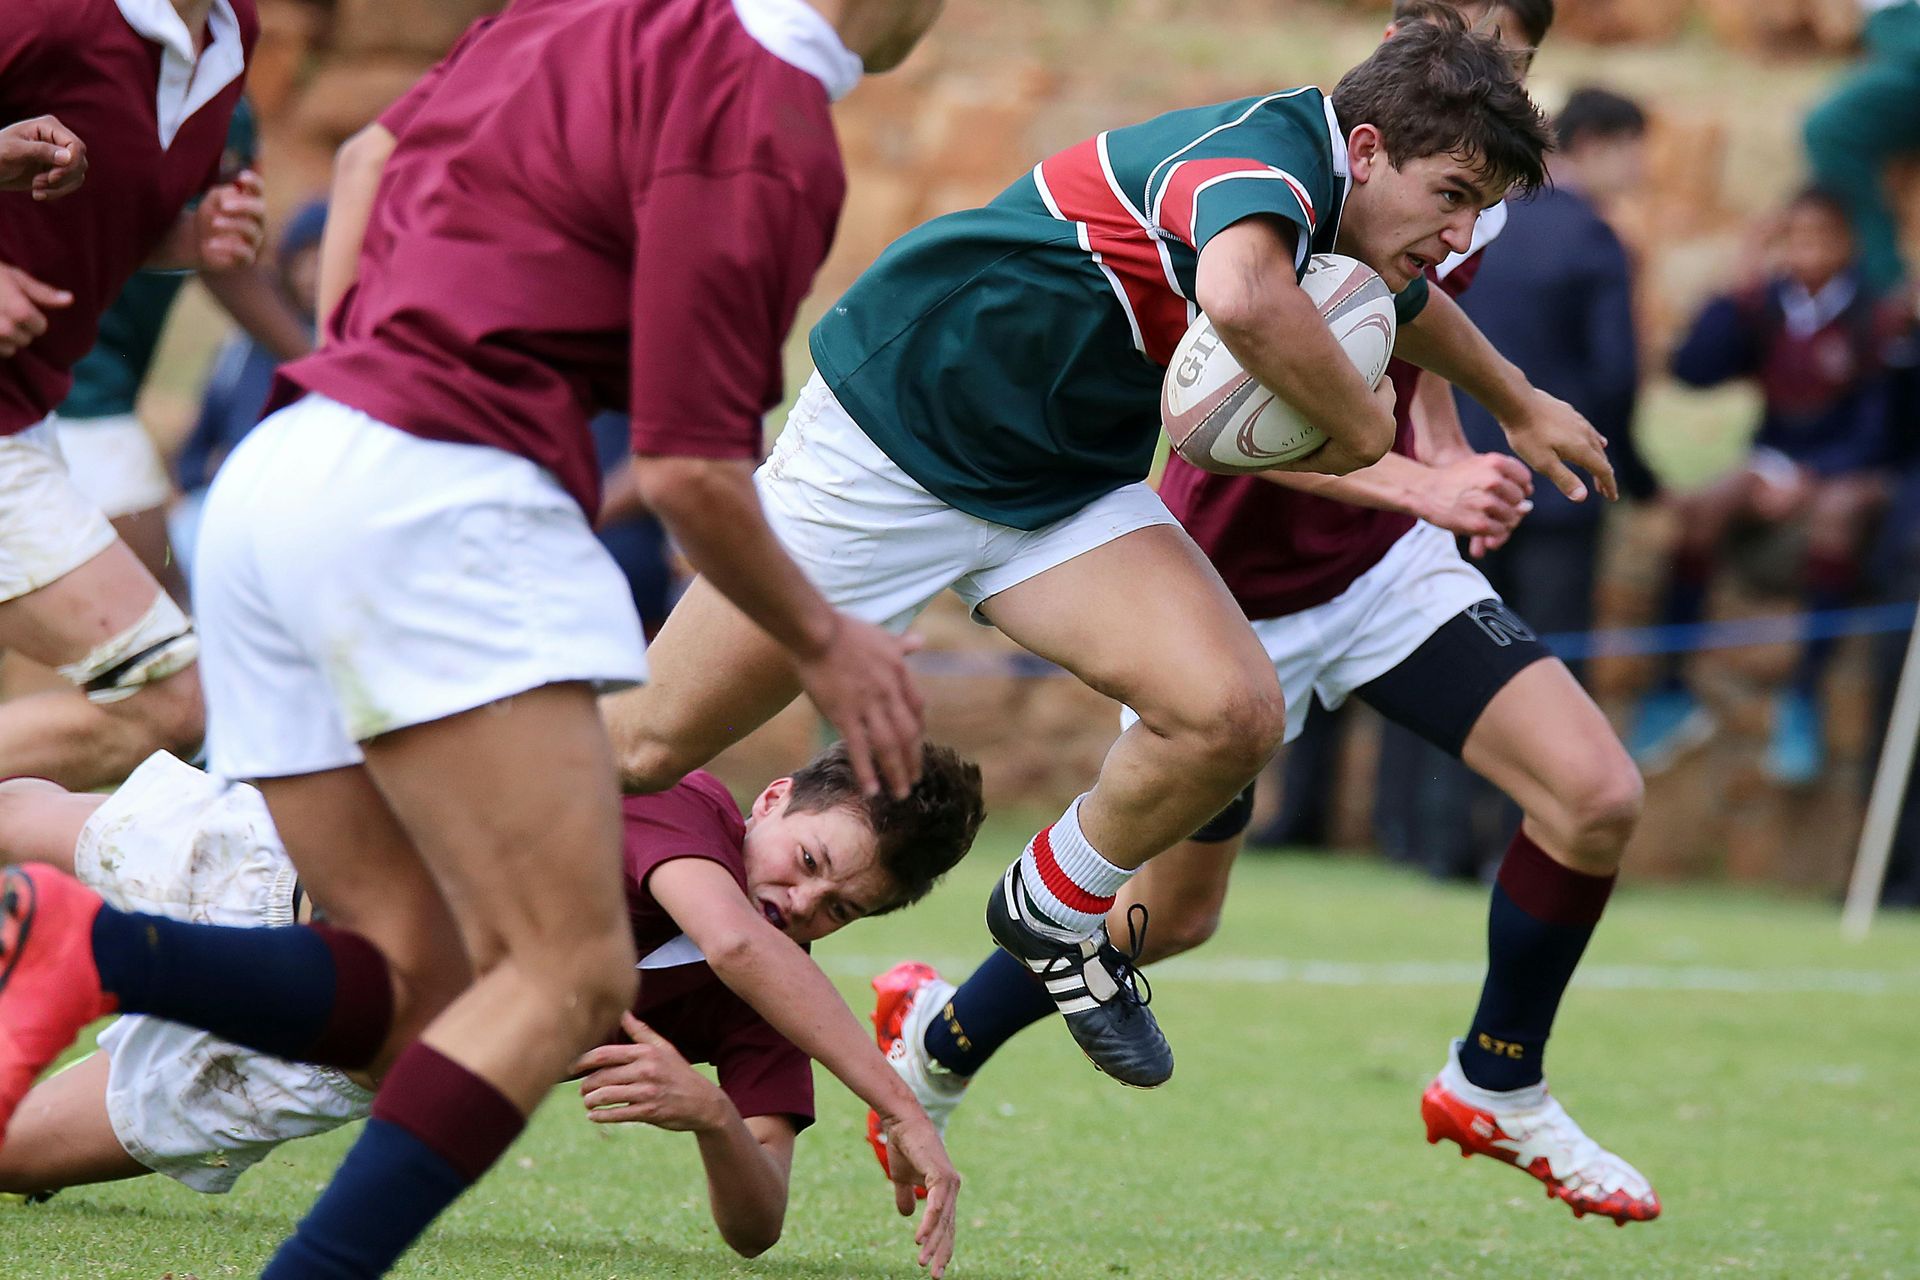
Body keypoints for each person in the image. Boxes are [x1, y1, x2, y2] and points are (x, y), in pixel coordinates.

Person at [0, 3, 965, 1278]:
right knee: (563, 975)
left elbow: (361, 164)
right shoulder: (773, 123)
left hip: (291, 468)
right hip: (456, 501)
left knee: (409, 999)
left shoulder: (584, 14)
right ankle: (101, 946)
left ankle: (88, 945)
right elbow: (688, 471)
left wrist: (350, 382)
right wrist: (826, 638)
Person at [605, 11, 1606, 1110]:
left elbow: (1406, 309)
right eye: (1452, 199)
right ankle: (392, 919)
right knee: (640, 748)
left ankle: (1050, 905)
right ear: (1365, 150)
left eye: (1480, 212)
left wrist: (1523, 401)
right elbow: (1240, 296)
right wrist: (1373, 440)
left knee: (1231, 710)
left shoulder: (1340, 208)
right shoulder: (1253, 160)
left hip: (1059, 485)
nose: (1460, 236)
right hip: (890, 449)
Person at [860, 5, 1664, 1228]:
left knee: (1595, 793)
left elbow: (1409, 331)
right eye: (1460, 30)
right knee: (1172, 919)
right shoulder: (1284, 182)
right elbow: (1219, 412)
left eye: (1507, 44)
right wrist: (1417, 471)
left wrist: (1477, 430)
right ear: (1405, 45)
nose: (1484, 60)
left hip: (1389, 567)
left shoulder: (1463, 195)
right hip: (1224, 591)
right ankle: (939, 1033)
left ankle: (1495, 1078)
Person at [0, 740, 984, 1262]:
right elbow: (731, 935)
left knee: (11, 1155)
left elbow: (758, 1220)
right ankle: (62, 937)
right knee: (29, 822)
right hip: (276, 878)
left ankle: (70, 959)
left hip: (312, 1064)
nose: (800, 902)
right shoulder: (684, 805)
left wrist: (714, 1115)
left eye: (839, 909)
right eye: (809, 861)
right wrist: (898, 1101)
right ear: (771, 798)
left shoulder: (774, 1000)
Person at [1379, 83, 1655, 878]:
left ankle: (1420, 840)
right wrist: (1628, 475)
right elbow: (1617, 376)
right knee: (1547, 667)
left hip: (1446, 476)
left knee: (1432, 651)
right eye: (1636, 148)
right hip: (1555, 491)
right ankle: (1521, 847)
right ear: (1600, 141)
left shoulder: (1473, 228)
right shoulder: (1595, 239)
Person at [0, 0, 267, 791]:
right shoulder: (47, 14)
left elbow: (106, 222)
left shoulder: (230, 34)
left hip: (29, 410)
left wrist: (191, 239)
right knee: (170, 703)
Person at [1632, 189, 1897, 784]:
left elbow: (1883, 428)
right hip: (1772, 462)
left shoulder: (1874, 317)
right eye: (1792, 238)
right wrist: (1740, 279)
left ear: (1846, 245)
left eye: (1818, 238)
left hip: (1845, 474)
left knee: (1837, 512)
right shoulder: (1768, 304)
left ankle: (1803, 698)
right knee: (1702, 507)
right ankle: (1671, 688)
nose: (1804, 252)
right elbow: (1693, 370)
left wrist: (1814, 475)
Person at [53, 97, 313, 602]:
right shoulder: (80, 59)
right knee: (159, 626)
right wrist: (320, 367)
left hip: (83, 388)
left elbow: (217, 248)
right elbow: (223, 261)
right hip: (77, 389)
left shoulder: (222, 83)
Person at [168, 197, 328, 583]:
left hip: (300, 512)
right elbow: (199, 441)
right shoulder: (242, 348)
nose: (311, 275)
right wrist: (200, 470)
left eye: (323, 259)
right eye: (302, 259)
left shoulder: (350, 349)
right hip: (223, 501)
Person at [1804, 0, 1920, 298]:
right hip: (1890, 33)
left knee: (1830, 127)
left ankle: (1885, 279)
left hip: (1905, 31)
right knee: (1829, 127)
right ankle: (1888, 284)